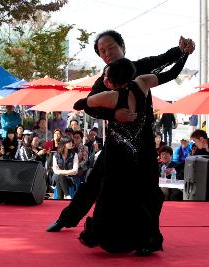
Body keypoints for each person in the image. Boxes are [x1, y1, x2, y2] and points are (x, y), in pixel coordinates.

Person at [46, 30, 195, 237]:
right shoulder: (103, 81)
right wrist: (115, 114)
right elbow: (89, 106)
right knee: (94, 183)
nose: (107, 53)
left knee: (150, 190)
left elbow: (163, 61)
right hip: (116, 144)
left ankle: (148, 238)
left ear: (122, 47)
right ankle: (66, 219)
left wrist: (182, 51)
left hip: (143, 142)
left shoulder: (139, 69)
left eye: (111, 47)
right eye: (102, 51)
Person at [67, 52, 189, 254]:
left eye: (107, 77)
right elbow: (172, 73)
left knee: (111, 197)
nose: (104, 80)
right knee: (137, 198)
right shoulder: (142, 83)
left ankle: (110, 238)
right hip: (140, 154)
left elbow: (80, 105)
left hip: (117, 156)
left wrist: (112, 114)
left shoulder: (109, 96)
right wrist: (184, 55)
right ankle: (143, 240)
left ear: (113, 82)